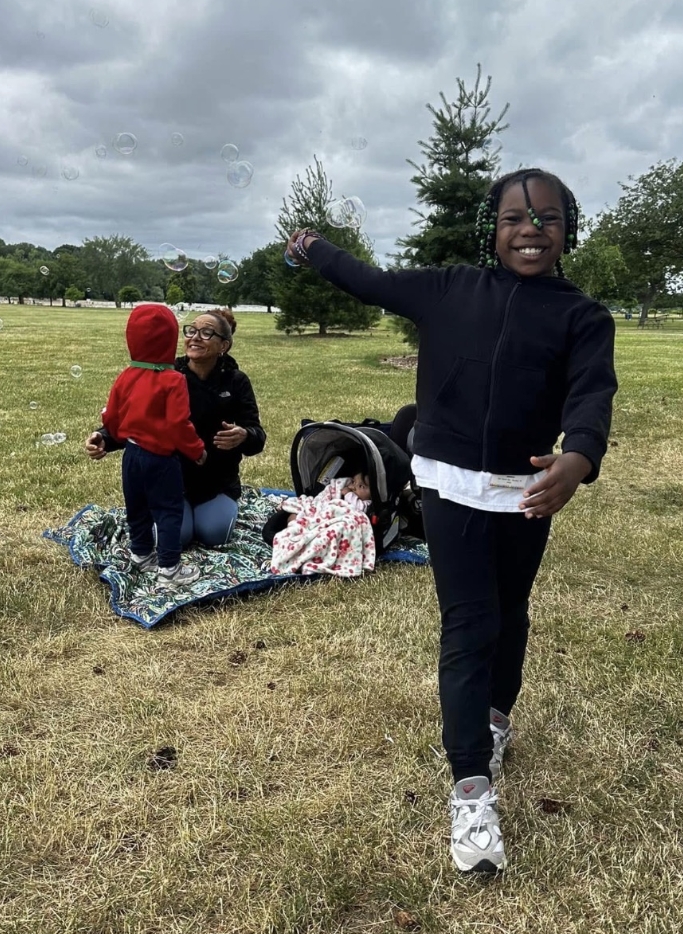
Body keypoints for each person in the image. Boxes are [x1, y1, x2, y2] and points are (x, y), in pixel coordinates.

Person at [285, 168, 618, 874]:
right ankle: (471, 785)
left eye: (548, 217)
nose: (531, 229)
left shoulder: (582, 316)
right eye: (514, 218)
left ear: (569, 229)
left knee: (513, 611)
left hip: (527, 491)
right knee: (471, 623)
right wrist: (313, 247)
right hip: (449, 486)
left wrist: (579, 457)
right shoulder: (446, 290)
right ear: (491, 229)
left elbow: (593, 393)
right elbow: (368, 280)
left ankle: (494, 720)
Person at [86, 308, 266, 549]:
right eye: (191, 331)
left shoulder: (236, 381)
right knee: (175, 538)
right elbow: (138, 421)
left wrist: (244, 435)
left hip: (216, 482)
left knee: (214, 534)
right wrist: (105, 438)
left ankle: (204, 512)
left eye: (206, 333)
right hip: (169, 478)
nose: (195, 337)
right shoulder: (165, 374)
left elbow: (257, 437)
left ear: (224, 345)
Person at [99, 302, 206, 585]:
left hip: (131, 455)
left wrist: (114, 435)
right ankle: (169, 570)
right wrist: (196, 450)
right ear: (170, 340)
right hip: (160, 458)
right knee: (169, 511)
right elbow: (178, 425)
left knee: (136, 506)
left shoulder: (127, 375)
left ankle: (141, 554)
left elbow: (111, 415)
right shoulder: (174, 380)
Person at [265, 471, 376, 578]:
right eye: (353, 482)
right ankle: (295, 528)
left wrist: (347, 494)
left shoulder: (366, 504)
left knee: (325, 533)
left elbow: (357, 509)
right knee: (297, 513)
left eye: (361, 486)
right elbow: (326, 499)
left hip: (338, 519)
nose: (354, 487)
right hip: (322, 513)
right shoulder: (345, 489)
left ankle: (302, 538)